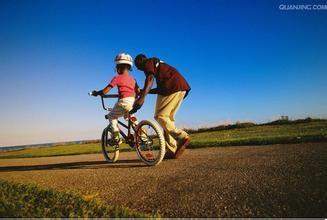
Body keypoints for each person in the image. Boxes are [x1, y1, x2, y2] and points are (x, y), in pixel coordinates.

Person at [131, 54, 191, 159]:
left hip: (172, 86)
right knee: (167, 120)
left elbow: (150, 78)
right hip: (179, 87)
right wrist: (143, 92)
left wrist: (142, 98)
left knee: (160, 116)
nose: (138, 69)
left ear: (141, 60)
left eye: (138, 66)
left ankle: (182, 136)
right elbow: (158, 89)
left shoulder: (148, 62)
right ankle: (173, 149)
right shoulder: (160, 68)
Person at [92, 53, 139, 144]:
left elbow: (104, 92)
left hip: (124, 102)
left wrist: (97, 93)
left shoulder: (117, 78)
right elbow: (137, 91)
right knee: (130, 117)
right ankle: (143, 135)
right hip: (133, 101)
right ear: (129, 67)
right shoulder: (133, 79)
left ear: (118, 67)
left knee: (111, 116)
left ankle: (116, 138)